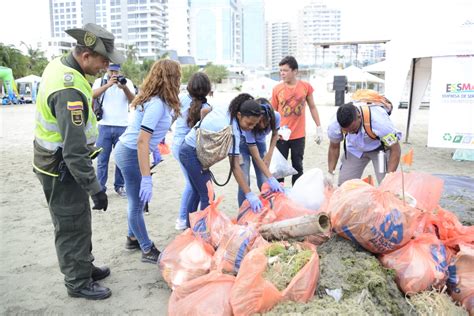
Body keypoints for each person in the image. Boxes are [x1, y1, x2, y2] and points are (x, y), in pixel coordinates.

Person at [33, 23, 124, 300]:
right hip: (60, 168)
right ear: (86, 56)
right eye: (103, 61)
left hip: (60, 164)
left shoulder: (61, 66)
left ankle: (83, 265)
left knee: (79, 219)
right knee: (71, 223)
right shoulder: (68, 89)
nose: (104, 68)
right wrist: (95, 187)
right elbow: (73, 150)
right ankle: (77, 282)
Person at [179, 93, 284, 225]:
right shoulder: (233, 131)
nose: (250, 128)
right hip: (190, 153)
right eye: (249, 123)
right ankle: (201, 230)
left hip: (190, 150)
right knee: (207, 195)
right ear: (239, 115)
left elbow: (207, 111)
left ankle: (190, 227)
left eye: (254, 125)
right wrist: (249, 194)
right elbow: (235, 166)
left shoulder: (229, 108)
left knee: (197, 192)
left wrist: (270, 178)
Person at [114, 59, 181, 263]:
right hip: (131, 152)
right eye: (177, 77)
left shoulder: (153, 100)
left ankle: (132, 237)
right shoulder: (157, 105)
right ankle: (147, 248)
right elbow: (142, 141)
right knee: (136, 204)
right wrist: (146, 177)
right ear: (170, 79)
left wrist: (155, 150)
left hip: (129, 150)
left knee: (138, 200)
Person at [271, 56, 323, 185]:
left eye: (285, 70)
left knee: (298, 166)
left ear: (295, 71)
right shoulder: (277, 89)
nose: (282, 73)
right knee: (279, 169)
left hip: (299, 135)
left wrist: (319, 128)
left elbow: (312, 106)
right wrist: (273, 132)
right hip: (281, 135)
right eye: (281, 70)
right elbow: (273, 112)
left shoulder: (305, 87)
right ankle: (279, 196)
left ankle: (297, 194)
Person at [172, 72, 212, 230]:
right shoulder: (206, 108)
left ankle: (187, 220)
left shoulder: (182, 98)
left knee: (193, 184)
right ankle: (183, 219)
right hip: (189, 148)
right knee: (191, 184)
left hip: (177, 144)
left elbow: (172, 117)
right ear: (207, 89)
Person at [327, 102, 402, 186]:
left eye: (354, 129)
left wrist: (389, 176)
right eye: (347, 131)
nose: (352, 132)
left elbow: (395, 149)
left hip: (380, 151)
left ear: (359, 117)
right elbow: (334, 147)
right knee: (345, 185)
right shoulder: (335, 125)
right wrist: (331, 172)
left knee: (386, 184)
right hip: (355, 150)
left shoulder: (380, 124)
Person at [92, 63, 135, 197]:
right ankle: (100, 188)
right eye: (111, 71)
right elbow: (92, 95)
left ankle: (120, 186)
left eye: (116, 72)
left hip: (122, 125)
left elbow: (133, 101)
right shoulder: (99, 82)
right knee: (102, 160)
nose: (114, 74)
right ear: (106, 70)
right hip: (104, 125)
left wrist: (124, 88)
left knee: (120, 159)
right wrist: (108, 85)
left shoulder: (127, 82)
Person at [237, 98, 281, 206]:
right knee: (244, 181)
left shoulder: (276, 116)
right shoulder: (250, 126)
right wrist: (271, 176)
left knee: (263, 180)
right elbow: (256, 157)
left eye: (263, 121)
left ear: (269, 117)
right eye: (258, 122)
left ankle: (268, 210)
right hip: (243, 144)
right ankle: (243, 213)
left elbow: (275, 135)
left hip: (261, 144)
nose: (260, 125)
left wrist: (269, 155)